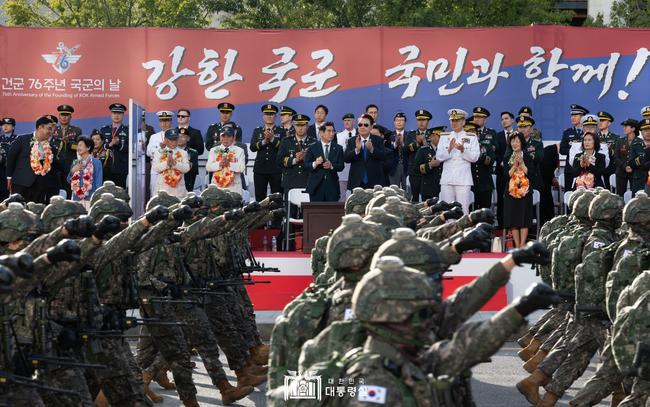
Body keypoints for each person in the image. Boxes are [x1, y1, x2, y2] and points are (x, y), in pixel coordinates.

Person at [6, 115, 61, 203]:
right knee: (17, 209)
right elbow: (11, 158)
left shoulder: (51, 147)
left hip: (40, 187)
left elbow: (55, 167)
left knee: (36, 210)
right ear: (40, 127)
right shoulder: (22, 139)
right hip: (21, 184)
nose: (51, 132)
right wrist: (9, 177)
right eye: (49, 129)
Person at [437, 109, 480, 214]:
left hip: (463, 179)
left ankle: (463, 225)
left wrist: (463, 150)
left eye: (457, 120)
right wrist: (449, 149)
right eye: (452, 120)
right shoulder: (444, 137)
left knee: (463, 210)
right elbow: (439, 157)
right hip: (447, 179)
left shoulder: (471, 137)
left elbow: (475, 158)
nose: (454, 123)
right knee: (447, 211)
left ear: (463, 122)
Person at [503, 132, 535, 248]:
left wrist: (522, 163)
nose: (514, 144)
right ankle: (517, 246)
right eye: (512, 141)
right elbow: (505, 175)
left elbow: (531, 174)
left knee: (524, 220)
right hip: (511, 192)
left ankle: (522, 245)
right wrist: (514, 165)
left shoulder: (527, 156)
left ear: (522, 142)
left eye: (517, 141)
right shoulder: (507, 157)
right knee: (513, 220)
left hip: (525, 192)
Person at [250, 104, 286, 201]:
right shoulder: (257, 130)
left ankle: (277, 212)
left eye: (271, 114)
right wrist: (264, 142)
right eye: (267, 114)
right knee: (260, 197)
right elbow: (252, 147)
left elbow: (284, 148)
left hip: (276, 168)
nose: (269, 116)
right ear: (263, 116)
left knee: (277, 197)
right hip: (260, 168)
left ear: (275, 116)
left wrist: (272, 139)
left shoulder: (281, 131)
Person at [344, 114, 386, 190]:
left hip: (375, 181)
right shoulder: (352, 140)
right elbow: (346, 159)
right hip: (356, 182)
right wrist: (356, 150)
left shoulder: (378, 140)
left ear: (371, 127)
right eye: (360, 125)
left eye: (366, 125)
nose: (362, 127)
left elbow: (384, 156)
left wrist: (372, 150)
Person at [304, 122, 344, 201]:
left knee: (331, 209)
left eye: (333, 131)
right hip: (316, 187)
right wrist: (315, 163)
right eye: (329, 131)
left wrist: (331, 166)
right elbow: (306, 165)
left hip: (332, 187)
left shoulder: (338, 148)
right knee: (316, 209)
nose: (332, 134)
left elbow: (341, 166)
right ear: (321, 133)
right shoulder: (312, 147)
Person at [277, 113, 316, 192]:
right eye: (297, 125)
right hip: (290, 183)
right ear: (294, 126)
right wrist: (295, 160)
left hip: (308, 182)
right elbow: (279, 160)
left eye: (303, 125)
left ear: (307, 126)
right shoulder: (286, 141)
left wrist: (306, 158)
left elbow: (318, 162)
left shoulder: (314, 142)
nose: (300, 128)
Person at [51, 104, 82, 198]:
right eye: (62, 115)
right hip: (55, 165)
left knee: (68, 190)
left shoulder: (76, 130)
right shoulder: (53, 129)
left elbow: (80, 147)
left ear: (70, 117)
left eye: (66, 115)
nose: (64, 117)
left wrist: (69, 143)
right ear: (59, 116)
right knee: (55, 190)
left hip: (70, 165)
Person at [151, 128, 190, 199]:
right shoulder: (159, 152)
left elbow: (186, 168)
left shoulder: (183, 153)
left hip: (178, 192)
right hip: (163, 190)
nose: (174, 142)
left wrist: (175, 164)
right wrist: (167, 163)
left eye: (175, 139)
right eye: (171, 140)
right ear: (165, 140)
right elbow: (155, 168)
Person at [206, 126, 246, 194]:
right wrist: (220, 164)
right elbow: (208, 167)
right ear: (220, 137)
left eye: (228, 136)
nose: (225, 139)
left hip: (234, 187)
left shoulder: (239, 151)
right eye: (223, 136)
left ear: (233, 138)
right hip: (217, 186)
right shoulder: (214, 150)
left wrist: (229, 164)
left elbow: (242, 168)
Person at [471, 106, 497, 210]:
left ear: (485, 119)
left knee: (485, 211)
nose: (477, 119)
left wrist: (481, 153)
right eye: (475, 117)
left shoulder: (491, 132)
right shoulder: (467, 135)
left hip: (485, 179)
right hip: (471, 180)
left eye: (480, 117)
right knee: (471, 211)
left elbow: (493, 152)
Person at [67, 136, 103, 209]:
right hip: (76, 200)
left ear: (88, 148)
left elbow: (98, 184)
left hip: (90, 200)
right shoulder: (75, 162)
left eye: (81, 145)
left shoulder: (96, 162)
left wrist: (96, 200)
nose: (78, 148)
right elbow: (68, 180)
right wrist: (72, 171)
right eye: (78, 145)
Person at [559, 104, 588, 193]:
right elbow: (562, 150)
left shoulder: (588, 132)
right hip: (570, 169)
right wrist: (575, 151)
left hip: (586, 168)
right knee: (570, 193)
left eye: (576, 115)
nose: (573, 118)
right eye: (572, 115)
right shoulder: (567, 132)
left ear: (582, 117)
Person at [405, 109, 432, 202]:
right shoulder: (411, 134)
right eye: (419, 120)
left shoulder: (432, 134)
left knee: (427, 198)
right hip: (414, 172)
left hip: (428, 171)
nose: (421, 122)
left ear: (428, 121)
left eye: (424, 120)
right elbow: (406, 149)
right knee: (414, 198)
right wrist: (416, 143)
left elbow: (435, 151)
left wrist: (424, 143)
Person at [99, 103, 129, 188]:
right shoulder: (104, 130)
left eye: (119, 113)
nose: (116, 115)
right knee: (106, 192)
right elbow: (99, 147)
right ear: (111, 114)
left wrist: (118, 144)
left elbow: (130, 149)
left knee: (120, 191)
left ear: (123, 115)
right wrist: (109, 145)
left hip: (121, 168)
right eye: (114, 113)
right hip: (106, 167)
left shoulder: (127, 130)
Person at [146, 111, 174, 198]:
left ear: (171, 122)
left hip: (171, 169)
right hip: (156, 169)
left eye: (166, 121)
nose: (164, 124)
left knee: (171, 194)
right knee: (155, 194)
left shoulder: (176, 135)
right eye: (161, 121)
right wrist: (160, 149)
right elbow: (148, 152)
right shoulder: (154, 137)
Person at [413, 126, 445, 200]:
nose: (441, 138)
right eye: (438, 136)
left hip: (444, 188)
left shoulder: (446, 150)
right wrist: (430, 165)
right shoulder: (423, 151)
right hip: (429, 189)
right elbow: (415, 169)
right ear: (430, 137)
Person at [496, 111, 515, 227]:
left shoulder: (517, 135)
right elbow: (495, 153)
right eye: (502, 119)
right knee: (501, 198)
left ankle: (513, 223)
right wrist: (501, 162)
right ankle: (501, 224)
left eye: (506, 118)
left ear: (512, 120)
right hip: (501, 172)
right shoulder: (497, 136)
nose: (504, 121)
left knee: (514, 198)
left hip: (515, 173)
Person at [613, 118, 639, 196]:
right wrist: (625, 166)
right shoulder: (620, 141)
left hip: (634, 172)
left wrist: (632, 166)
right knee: (619, 195)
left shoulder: (639, 142)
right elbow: (616, 157)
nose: (624, 128)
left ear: (633, 128)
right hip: (621, 172)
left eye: (626, 126)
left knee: (635, 195)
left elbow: (641, 158)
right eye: (624, 126)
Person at [597, 111, 619, 190]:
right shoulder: (594, 137)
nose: (600, 122)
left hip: (611, 169)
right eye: (599, 120)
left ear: (609, 123)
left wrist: (609, 150)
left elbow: (617, 153)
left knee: (611, 192)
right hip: (597, 169)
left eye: (603, 120)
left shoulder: (616, 137)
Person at [336, 113, 356, 195]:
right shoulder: (338, 136)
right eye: (345, 120)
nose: (347, 122)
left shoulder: (359, 134)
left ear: (354, 122)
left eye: (349, 120)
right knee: (342, 196)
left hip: (356, 168)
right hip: (343, 171)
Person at [629, 118, 650, 194]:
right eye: (645, 130)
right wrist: (643, 158)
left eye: (649, 130)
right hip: (639, 181)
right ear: (641, 132)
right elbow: (631, 164)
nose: (648, 132)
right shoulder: (635, 146)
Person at [387, 112, 408, 189]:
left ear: (405, 122)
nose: (399, 122)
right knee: (394, 191)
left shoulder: (409, 135)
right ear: (394, 122)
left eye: (401, 120)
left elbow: (411, 151)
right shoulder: (388, 135)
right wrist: (395, 144)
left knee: (407, 191)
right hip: (393, 168)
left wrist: (403, 144)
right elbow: (387, 151)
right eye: (397, 120)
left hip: (406, 167)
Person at [0, 117, 17, 201]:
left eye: (8, 124)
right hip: (2, 171)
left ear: (13, 127)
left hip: (14, 171)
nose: (5, 126)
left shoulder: (18, 139)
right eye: (3, 125)